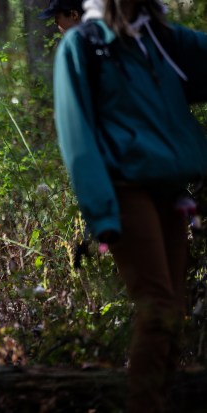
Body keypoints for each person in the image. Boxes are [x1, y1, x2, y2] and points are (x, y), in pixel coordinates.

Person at [53, 0, 207, 411]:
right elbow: (76, 135)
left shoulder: (159, 37)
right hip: (124, 188)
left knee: (172, 310)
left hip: (169, 188)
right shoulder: (84, 45)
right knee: (157, 306)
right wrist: (100, 211)